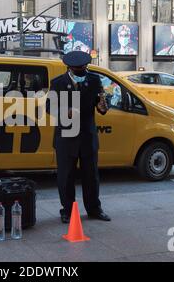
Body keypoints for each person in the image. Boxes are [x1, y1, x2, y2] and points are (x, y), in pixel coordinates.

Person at [47, 51, 111, 224]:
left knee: (91, 176)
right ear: (70, 68)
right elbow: (49, 107)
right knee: (66, 176)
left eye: (84, 68)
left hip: (87, 136)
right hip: (66, 137)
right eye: (78, 69)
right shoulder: (58, 83)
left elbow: (102, 105)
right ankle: (67, 210)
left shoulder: (94, 80)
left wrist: (103, 107)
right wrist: (65, 112)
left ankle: (94, 209)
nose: (82, 71)